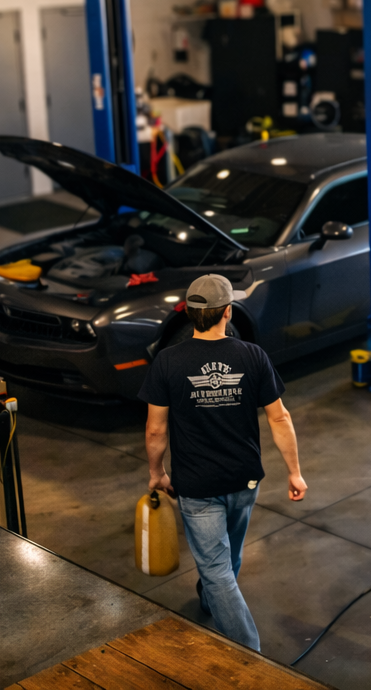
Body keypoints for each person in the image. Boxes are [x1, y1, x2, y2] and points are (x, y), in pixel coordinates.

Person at [141, 273, 308, 650]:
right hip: (244, 479)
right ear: (227, 313)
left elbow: (155, 430)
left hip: (197, 486)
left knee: (216, 569)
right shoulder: (252, 355)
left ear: (188, 314)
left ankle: (251, 656)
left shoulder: (168, 362)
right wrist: (294, 473)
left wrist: (157, 474)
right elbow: (279, 418)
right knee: (227, 553)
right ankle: (211, 598)